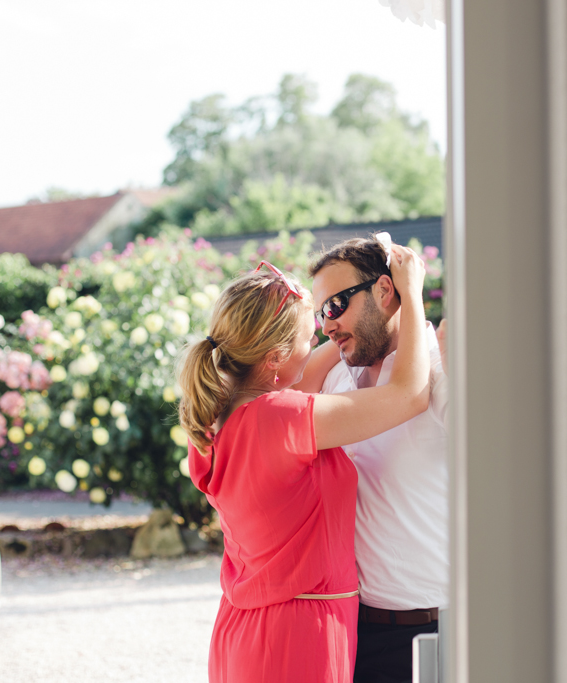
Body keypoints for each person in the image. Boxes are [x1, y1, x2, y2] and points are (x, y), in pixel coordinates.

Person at [177, 247, 429, 683]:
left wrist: (350, 326)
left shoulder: (218, 419)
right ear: (274, 358)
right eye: (307, 336)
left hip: (244, 628)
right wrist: (411, 293)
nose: (320, 338)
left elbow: (302, 376)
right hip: (297, 635)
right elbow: (409, 394)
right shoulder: (281, 417)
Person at [305, 236, 449, 683]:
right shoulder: (335, 377)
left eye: (335, 306)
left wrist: (408, 304)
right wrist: (347, 325)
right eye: (319, 313)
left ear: (385, 291)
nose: (325, 325)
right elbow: (282, 396)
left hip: (434, 632)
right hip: (354, 632)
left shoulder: (442, 370)